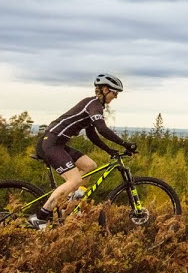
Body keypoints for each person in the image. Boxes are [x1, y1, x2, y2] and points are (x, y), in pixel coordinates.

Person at [29, 74, 137, 229]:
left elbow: (91, 134)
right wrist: (125, 144)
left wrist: (109, 150)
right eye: (115, 93)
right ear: (105, 89)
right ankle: (39, 218)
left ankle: (69, 205)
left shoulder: (93, 105)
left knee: (89, 166)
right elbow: (102, 129)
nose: (116, 97)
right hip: (50, 143)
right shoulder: (93, 104)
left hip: (58, 143)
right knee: (74, 181)